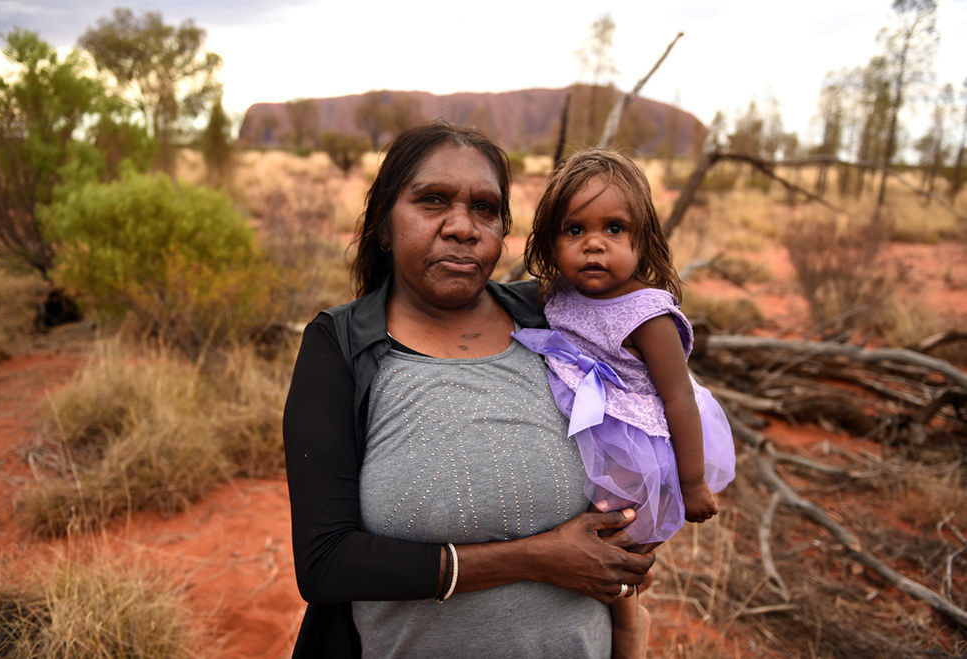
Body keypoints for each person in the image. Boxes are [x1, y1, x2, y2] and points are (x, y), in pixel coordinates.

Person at [283, 123, 655, 658]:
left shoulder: (556, 321)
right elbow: (325, 563)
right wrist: (538, 558)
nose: (462, 226)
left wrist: (629, 607)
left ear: (504, 229)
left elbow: (643, 434)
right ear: (385, 223)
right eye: (432, 200)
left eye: (485, 208)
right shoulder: (342, 346)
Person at [512, 148, 736, 646]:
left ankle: (629, 624)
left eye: (614, 229)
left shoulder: (648, 315)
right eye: (575, 231)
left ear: (643, 239)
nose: (594, 245)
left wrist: (693, 481)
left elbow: (678, 399)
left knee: (620, 543)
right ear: (551, 239)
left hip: (640, 446)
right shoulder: (559, 294)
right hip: (590, 427)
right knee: (585, 535)